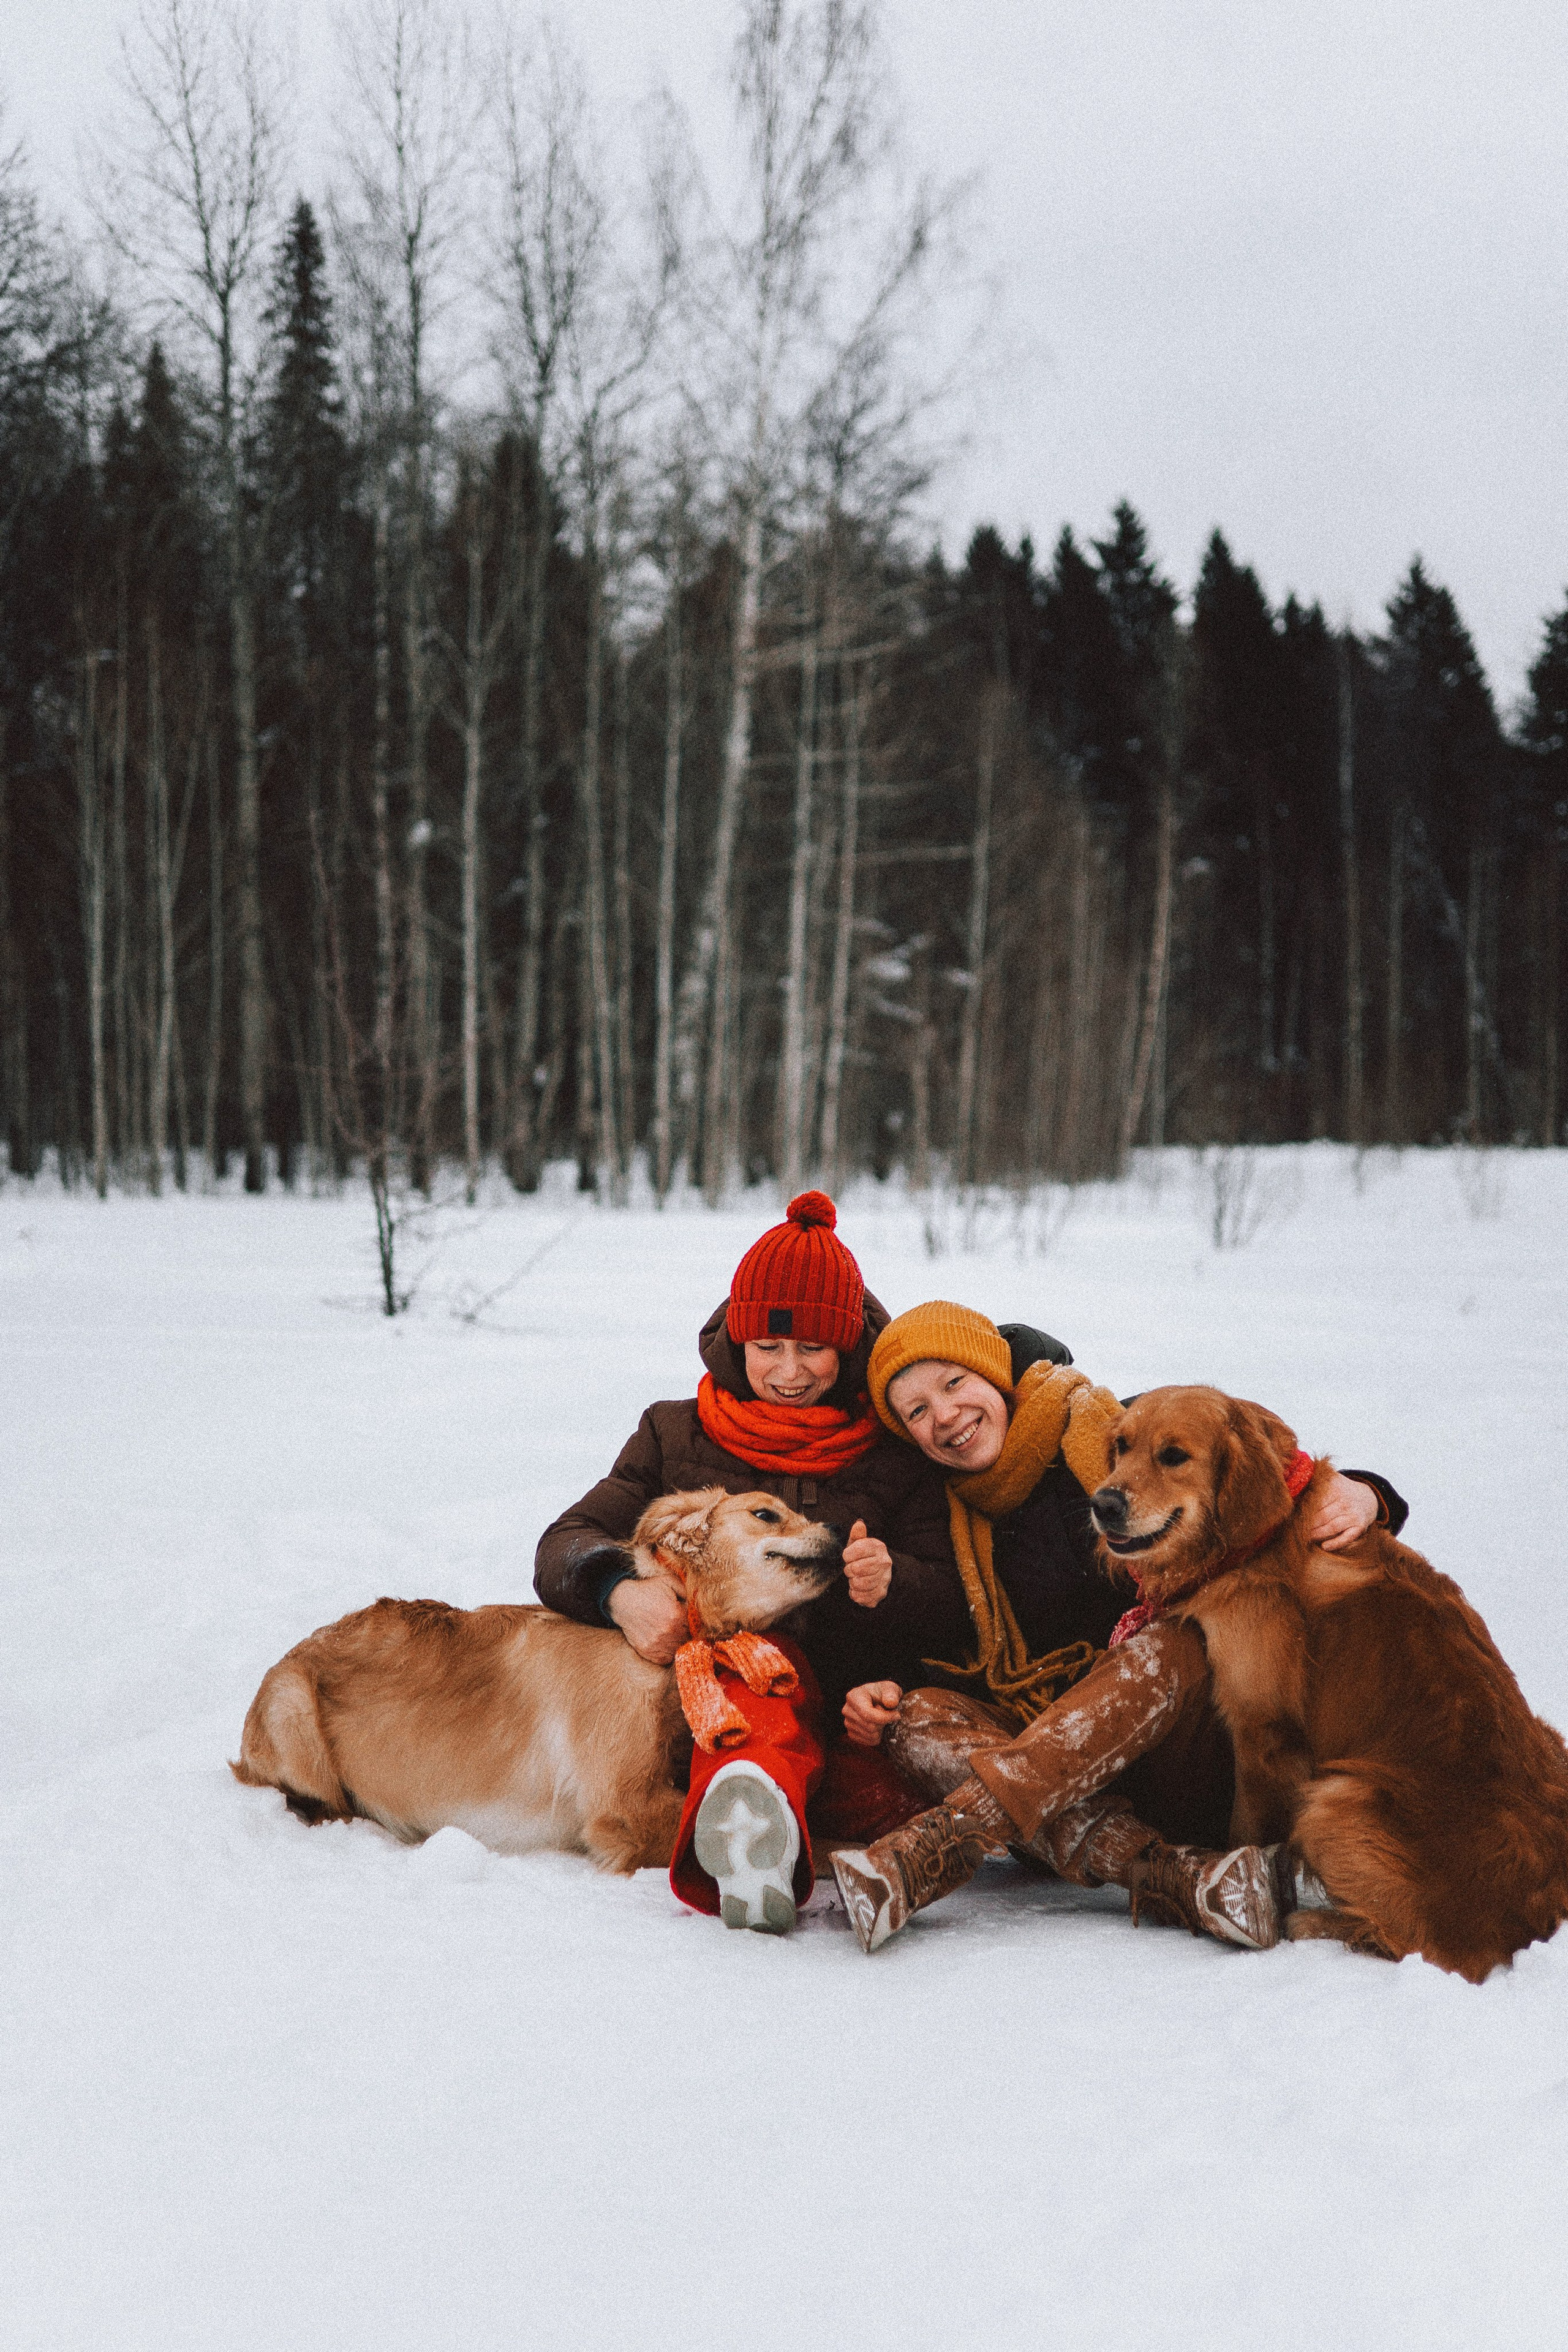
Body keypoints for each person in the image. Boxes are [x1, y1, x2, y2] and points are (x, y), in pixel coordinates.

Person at [827, 1302, 1408, 1956]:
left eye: (954, 1383)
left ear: (993, 1373)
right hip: (1063, 1763)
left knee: (1170, 1643)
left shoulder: (1118, 1428)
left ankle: (946, 1841)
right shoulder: (942, 1510)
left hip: (1186, 1744)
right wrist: (876, 1687)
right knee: (914, 1715)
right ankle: (1181, 1878)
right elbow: (950, 1631)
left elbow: (1264, 1468)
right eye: (917, 1411)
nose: (945, 1416)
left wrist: (1365, 1493)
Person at [533, 1194, 960, 1935]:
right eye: (768, 1346)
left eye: (813, 1349)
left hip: (854, 1707)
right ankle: (748, 1833)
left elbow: (956, 1596)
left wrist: (895, 1585)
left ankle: (764, 1824)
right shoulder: (673, 1433)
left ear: (848, 1349)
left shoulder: (894, 1451)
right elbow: (566, 1540)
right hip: (724, 1698)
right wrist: (618, 1591)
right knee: (753, 1691)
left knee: (895, 1802)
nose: (788, 1371)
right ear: (738, 1341)